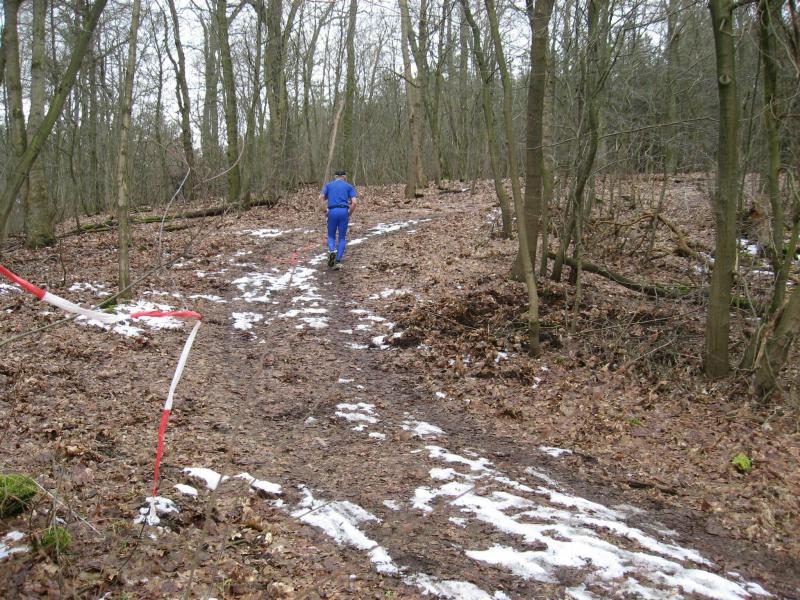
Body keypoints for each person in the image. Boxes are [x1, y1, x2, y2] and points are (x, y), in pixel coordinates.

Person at [320, 169, 358, 270]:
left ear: (335, 176)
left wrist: (325, 211)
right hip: (343, 211)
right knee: (341, 238)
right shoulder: (349, 186)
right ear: (344, 177)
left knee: (331, 236)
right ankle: (337, 261)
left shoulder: (328, 185)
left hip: (332, 211)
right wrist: (349, 213)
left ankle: (332, 251)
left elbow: (321, 197)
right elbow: (354, 202)